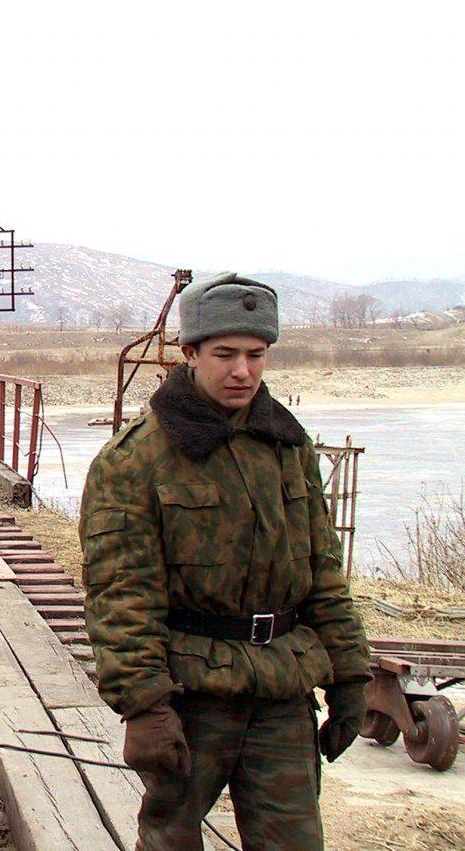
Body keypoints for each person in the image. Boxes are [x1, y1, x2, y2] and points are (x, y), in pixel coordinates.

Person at [79, 273, 370, 850]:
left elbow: (323, 572)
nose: (242, 371)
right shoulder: (136, 458)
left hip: (283, 692)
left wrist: (351, 674)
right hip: (193, 698)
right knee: (171, 842)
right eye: (225, 355)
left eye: (256, 355)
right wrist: (144, 706)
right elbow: (120, 595)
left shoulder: (287, 447)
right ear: (189, 355)